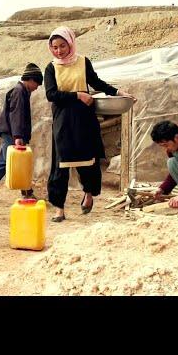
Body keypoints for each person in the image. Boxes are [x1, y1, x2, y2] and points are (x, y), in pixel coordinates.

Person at [44, 27, 135, 222]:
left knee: (88, 159)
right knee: (61, 164)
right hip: (63, 119)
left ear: (70, 43)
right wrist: (78, 95)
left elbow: (96, 82)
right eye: (55, 47)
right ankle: (59, 208)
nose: (59, 51)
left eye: (62, 46)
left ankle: (89, 193)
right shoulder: (51, 68)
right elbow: (51, 94)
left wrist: (119, 93)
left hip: (84, 118)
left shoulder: (83, 62)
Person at [0, 63, 44, 201]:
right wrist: (18, 136)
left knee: (14, 160)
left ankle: (24, 191)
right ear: (31, 79)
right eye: (36, 84)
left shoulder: (21, 91)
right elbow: (16, 115)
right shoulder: (19, 92)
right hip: (13, 133)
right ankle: (25, 192)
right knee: (13, 161)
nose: (36, 88)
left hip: (12, 132)